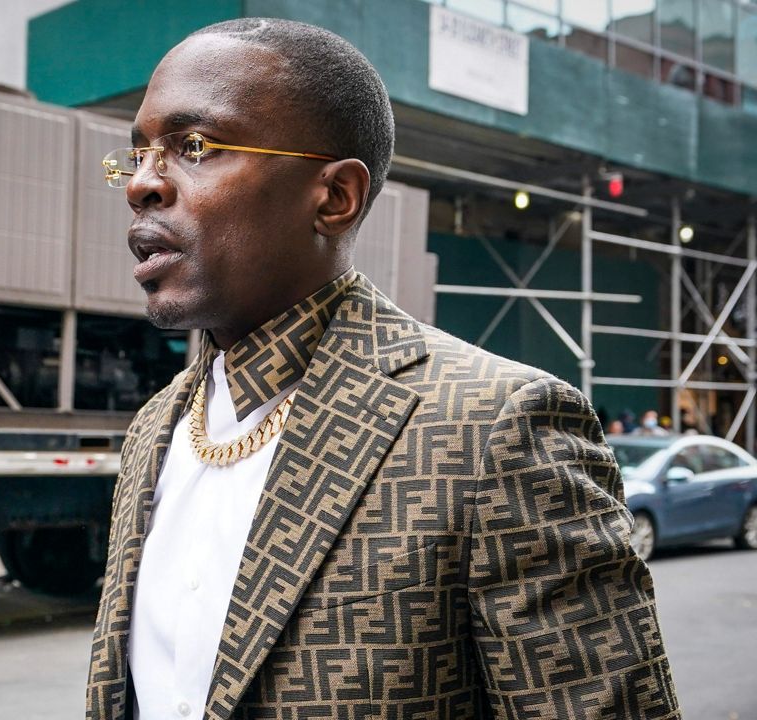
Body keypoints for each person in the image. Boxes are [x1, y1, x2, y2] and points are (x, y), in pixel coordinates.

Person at [87, 18, 679, 720]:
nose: (143, 185)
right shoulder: (155, 428)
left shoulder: (496, 429)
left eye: (193, 146)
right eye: (137, 155)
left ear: (335, 197)